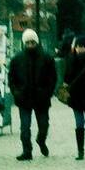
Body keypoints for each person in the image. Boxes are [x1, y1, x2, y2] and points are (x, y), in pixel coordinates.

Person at [9, 28, 58, 160]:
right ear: (24, 43)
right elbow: (11, 78)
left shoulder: (46, 58)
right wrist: (16, 92)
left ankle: (41, 140)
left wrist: (48, 92)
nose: (30, 44)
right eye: (28, 42)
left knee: (43, 125)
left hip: (41, 97)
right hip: (24, 97)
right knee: (25, 127)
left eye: (32, 42)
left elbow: (53, 77)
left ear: (36, 42)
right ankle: (27, 150)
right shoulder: (17, 59)